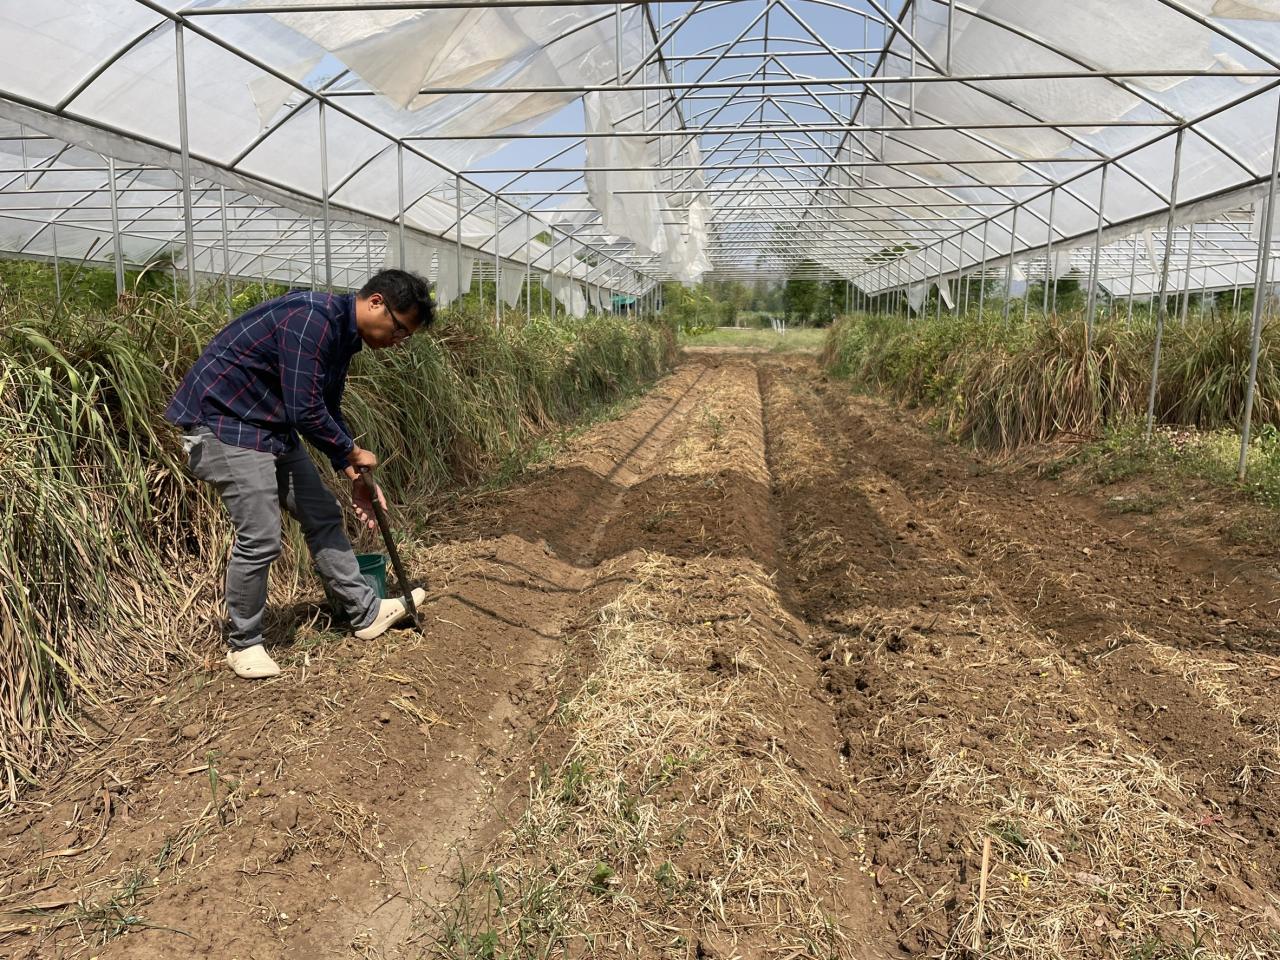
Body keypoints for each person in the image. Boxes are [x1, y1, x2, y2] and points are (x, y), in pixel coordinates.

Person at [165, 269, 434, 679]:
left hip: (268, 427)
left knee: (323, 513)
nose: (398, 341)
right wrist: (351, 450)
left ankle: (365, 613)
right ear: (376, 302)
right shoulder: (310, 318)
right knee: (261, 536)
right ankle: (244, 643)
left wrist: (350, 470)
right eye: (399, 329)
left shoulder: (344, 336)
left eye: (406, 336)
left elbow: (326, 407)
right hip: (225, 426)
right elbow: (304, 409)